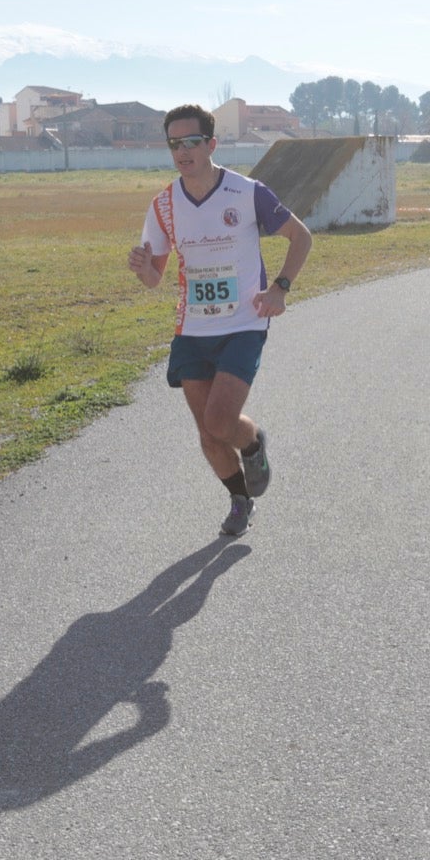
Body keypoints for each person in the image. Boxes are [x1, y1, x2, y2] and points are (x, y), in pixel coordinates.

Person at [127, 104, 313, 537]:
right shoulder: (163, 206)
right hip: (192, 328)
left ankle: (252, 442)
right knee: (208, 434)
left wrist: (280, 288)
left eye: (191, 142)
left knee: (220, 421)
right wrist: (143, 271)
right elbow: (155, 278)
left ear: (211, 144)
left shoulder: (247, 193)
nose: (182, 151)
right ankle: (239, 500)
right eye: (174, 144)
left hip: (245, 322)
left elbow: (301, 236)